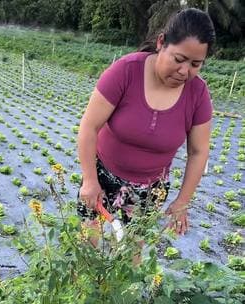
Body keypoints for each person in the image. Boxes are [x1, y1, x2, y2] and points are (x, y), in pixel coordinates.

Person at [77, 8, 216, 236]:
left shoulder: (198, 94)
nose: (184, 71)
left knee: (131, 254)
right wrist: (90, 181)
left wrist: (183, 201)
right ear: (161, 42)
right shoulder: (126, 71)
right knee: (88, 243)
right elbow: (89, 127)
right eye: (179, 59)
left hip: (150, 190)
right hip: (102, 176)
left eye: (195, 64)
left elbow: (199, 151)